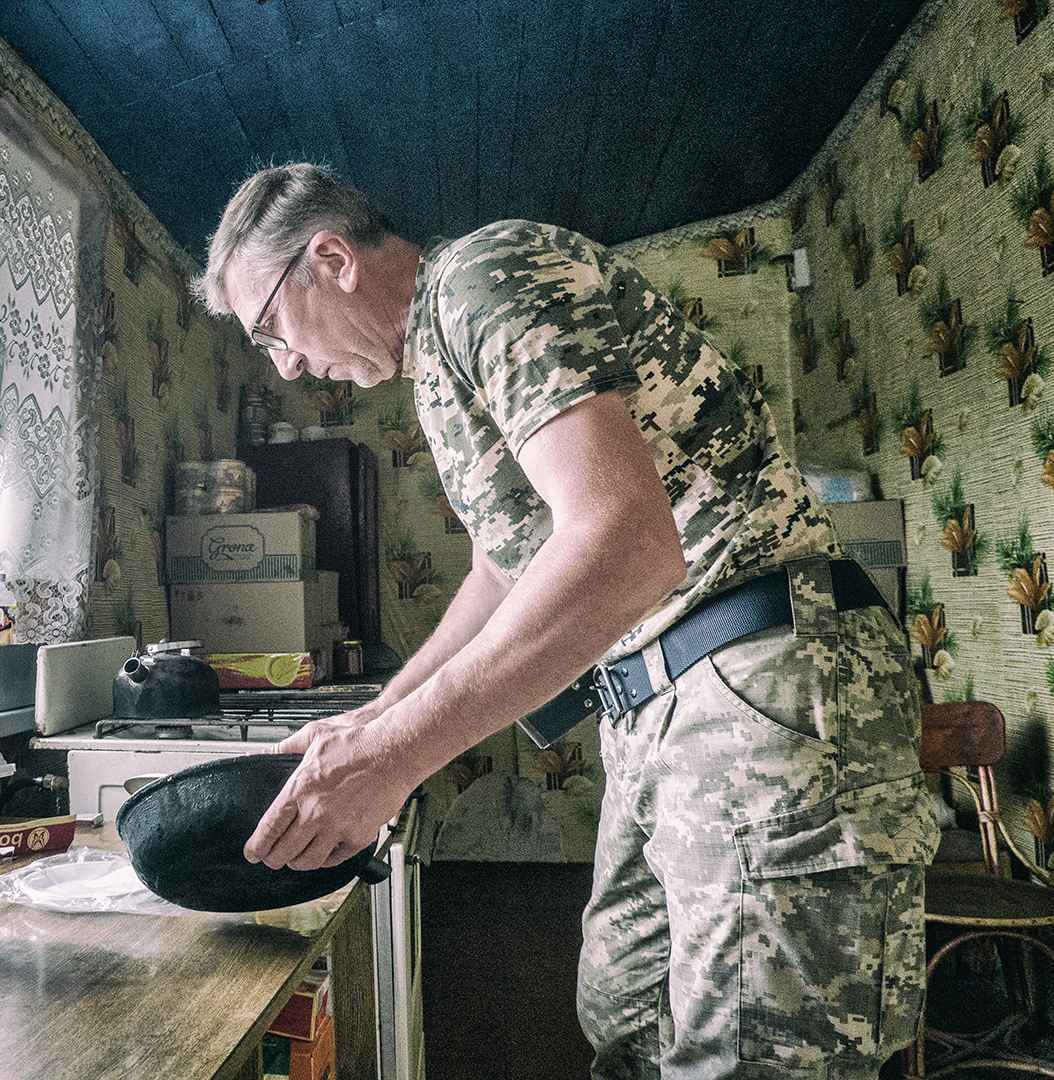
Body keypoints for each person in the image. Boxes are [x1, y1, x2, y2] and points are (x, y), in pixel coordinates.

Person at [192, 163, 938, 1080]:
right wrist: (377, 717)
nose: (286, 365)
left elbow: (626, 540)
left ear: (333, 258)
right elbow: (504, 569)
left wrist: (393, 758)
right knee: (624, 1016)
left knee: (750, 1057)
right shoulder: (437, 361)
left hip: (758, 678)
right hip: (658, 703)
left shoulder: (481, 278)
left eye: (270, 329)